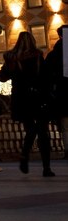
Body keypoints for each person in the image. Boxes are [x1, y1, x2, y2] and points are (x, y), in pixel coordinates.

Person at [0, 32, 54, 177]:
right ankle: (46, 168)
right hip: (38, 99)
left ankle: (24, 155)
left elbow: (2, 78)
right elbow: (46, 78)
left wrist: (11, 69)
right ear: (33, 41)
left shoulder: (12, 58)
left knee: (30, 129)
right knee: (43, 133)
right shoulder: (37, 57)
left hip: (21, 100)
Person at [43, 25, 68, 158]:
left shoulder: (53, 54)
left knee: (65, 126)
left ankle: (67, 150)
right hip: (61, 93)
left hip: (61, 94)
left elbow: (46, 75)